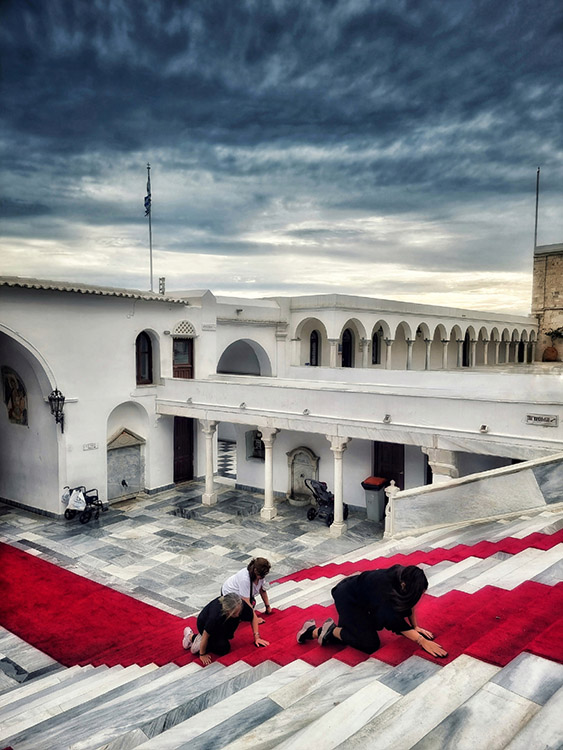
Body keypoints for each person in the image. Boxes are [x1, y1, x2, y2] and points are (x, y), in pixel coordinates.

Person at [296, 564, 447, 658]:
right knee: (369, 643)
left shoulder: (404, 578)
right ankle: (326, 630)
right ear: (403, 585)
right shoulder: (384, 589)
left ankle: (319, 632)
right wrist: (421, 641)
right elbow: (395, 623)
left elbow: (409, 603)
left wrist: (415, 627)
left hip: (366, 600)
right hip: (348, 598)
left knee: (352, 634)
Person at [182, 592, 269, 666]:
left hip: (224, 622)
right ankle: (191, 637)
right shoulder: (215, 616)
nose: (238, 614)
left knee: (226, 636)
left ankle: (202, 641)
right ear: (227, 611)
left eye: (239, 612)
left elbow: (253, 617)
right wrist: (202, 654)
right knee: (223, 648)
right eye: (235, 613)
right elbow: (206, 634)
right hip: (204, 625)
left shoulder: (240, 606)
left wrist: (257, 637)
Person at [221, 558, 273, 623]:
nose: (262, 578)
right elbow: (246, 601)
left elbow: (262, 590)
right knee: (240, 613)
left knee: (251, 605)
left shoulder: (260, 575)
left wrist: (267, 606)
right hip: (230, 596)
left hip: (241, 595)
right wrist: (255, 619)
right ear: (255, 571)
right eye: (261, 575)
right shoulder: (245, 579)